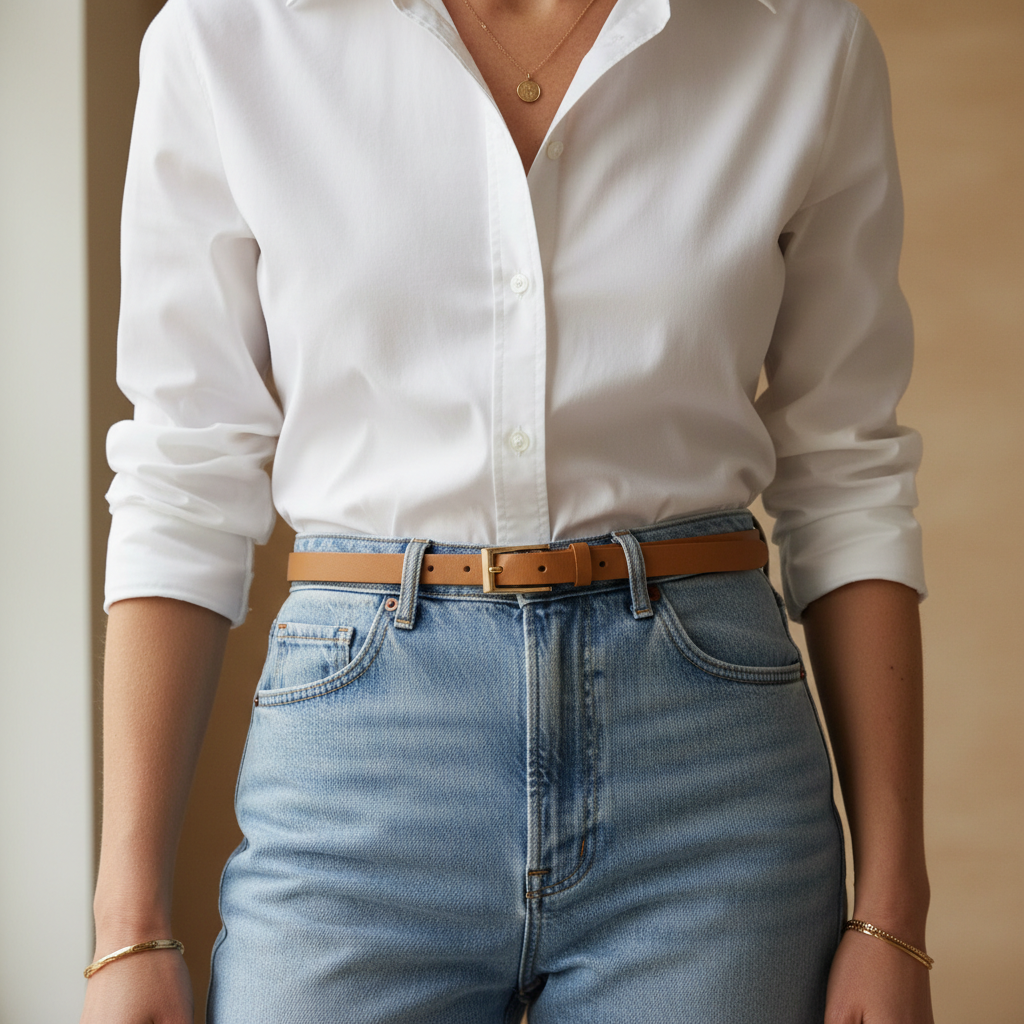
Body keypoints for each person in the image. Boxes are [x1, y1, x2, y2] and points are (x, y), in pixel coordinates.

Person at [81, 0, 935, 1019]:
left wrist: (894, 911)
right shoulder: (230, 36)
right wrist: (126, 923)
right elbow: (185, 474)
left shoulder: (798, 40)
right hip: (361, 758)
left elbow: (846, 469)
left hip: (706, 776)